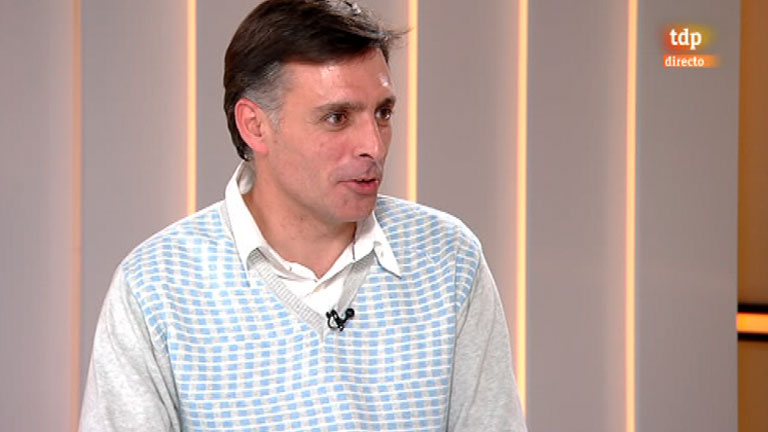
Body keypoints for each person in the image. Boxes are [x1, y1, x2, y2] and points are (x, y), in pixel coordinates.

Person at [79, 0, 527, 431]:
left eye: (383, 112)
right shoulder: (157, 285)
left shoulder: (448, 259)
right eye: (337, 117)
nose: (373, 144)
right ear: (255, 126)